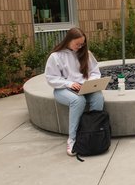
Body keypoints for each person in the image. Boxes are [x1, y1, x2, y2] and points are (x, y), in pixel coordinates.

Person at [44, 27, 104, 156]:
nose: (80, 46)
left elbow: (95, 71)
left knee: (98, 97)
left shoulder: (85, 53)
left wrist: (90, 82)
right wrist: (69, 83)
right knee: (78, 101)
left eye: (82, 44)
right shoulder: (56, 56)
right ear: (68, 41)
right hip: (63, 89)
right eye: (77, 44)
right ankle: (72, 139)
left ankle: (93, 132)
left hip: (84, 87)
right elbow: (51, 78)